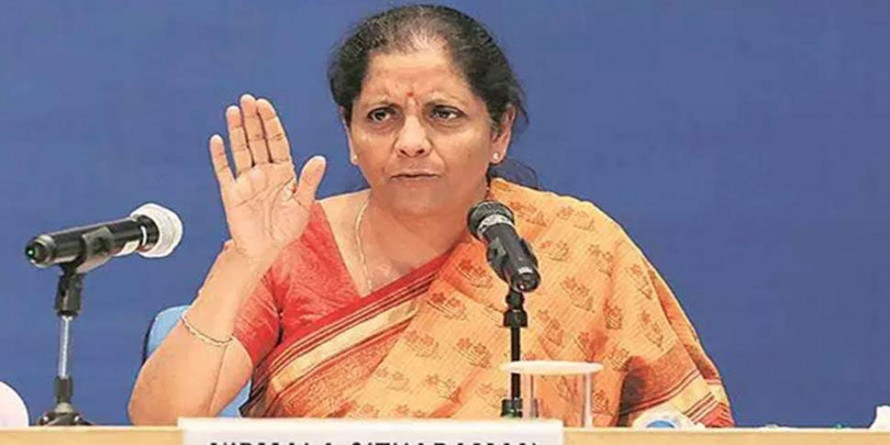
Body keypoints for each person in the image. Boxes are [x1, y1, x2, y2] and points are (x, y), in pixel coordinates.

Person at [128, 4, 732, 427]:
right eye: (381, 116)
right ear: (350, 134)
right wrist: (244, 259)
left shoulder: (577, 244)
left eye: (444, 114)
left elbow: (678, 420)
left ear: (499, 132)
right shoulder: (294, 244)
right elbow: (157, 423)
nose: (411, 142)